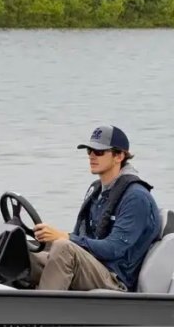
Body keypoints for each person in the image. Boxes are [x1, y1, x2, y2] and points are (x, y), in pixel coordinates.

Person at [29, 125, 161, 292]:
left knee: (63, 248)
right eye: (89, 150)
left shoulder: (136, 198)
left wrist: (64, 237)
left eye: (99, 152)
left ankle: (42, 308)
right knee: (21, 250)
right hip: (93, 264)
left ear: (119, 156)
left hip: (115, 278)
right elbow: (80, 237)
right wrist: (50, 238)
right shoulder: (97, 191)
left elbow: (113, 249)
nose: (91, 156)